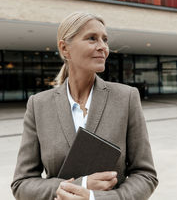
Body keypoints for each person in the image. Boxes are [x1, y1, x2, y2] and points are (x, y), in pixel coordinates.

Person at [11, 12, 158, 200]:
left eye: (105, 40)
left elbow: (146, 175)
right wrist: (81, 185)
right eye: (92, 38)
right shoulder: (39, 105)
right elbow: (21, 184)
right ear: (65, 49)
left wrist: (96, 198)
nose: (103, 47)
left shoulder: (126, 98)